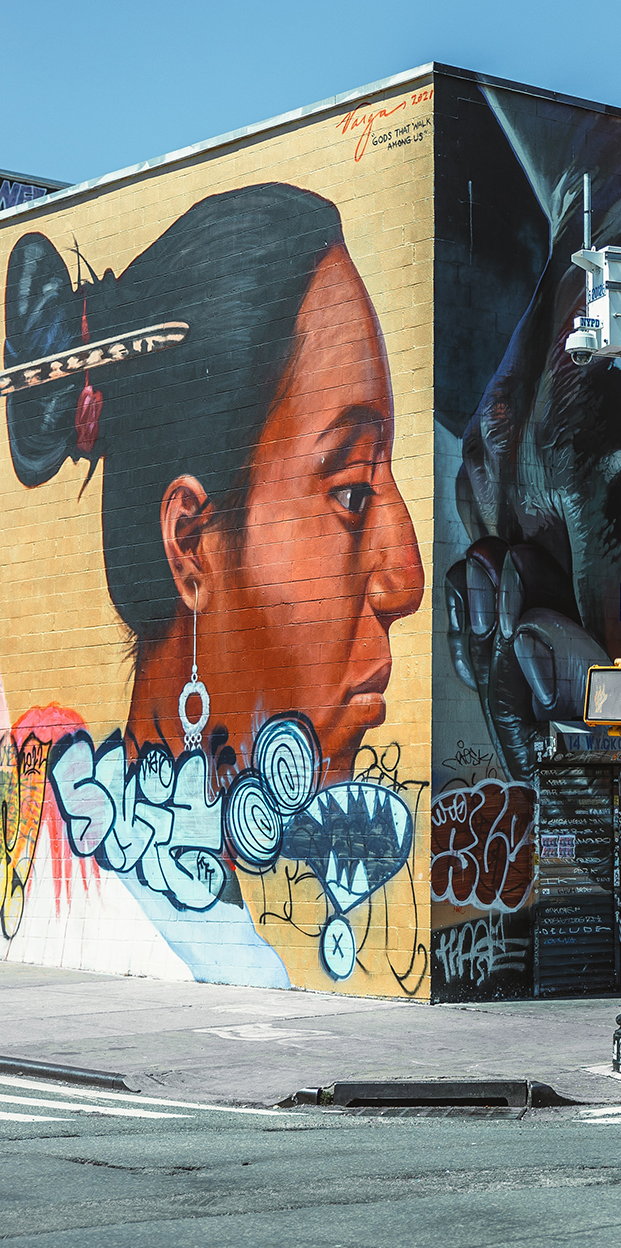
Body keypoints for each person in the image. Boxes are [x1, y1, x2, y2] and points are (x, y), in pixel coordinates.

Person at [2, 183, 424, 984]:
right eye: (352, 492)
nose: (404, 578)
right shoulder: (165, 941)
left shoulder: (81, 867)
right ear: (191, 546)